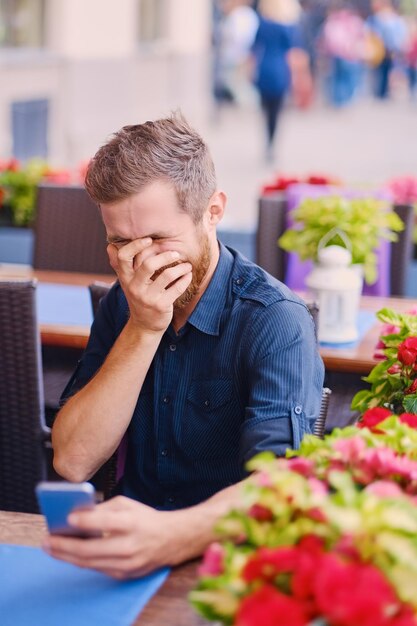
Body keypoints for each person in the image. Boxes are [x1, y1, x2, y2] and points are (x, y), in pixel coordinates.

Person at [46, 113, 324, 579]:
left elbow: (281, 484)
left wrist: (173, 536)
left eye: (158, 238)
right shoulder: (125, 302)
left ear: (213, 211)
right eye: (120, 243)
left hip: (231, 560)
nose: (141, 262)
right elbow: (73, 460)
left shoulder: (276, 320)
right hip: (125, 555)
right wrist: (143, 327)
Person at [251, 0, 313, 162]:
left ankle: (267, 140)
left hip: (264, 68)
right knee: (277, 111)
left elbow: (254, 48)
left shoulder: (263, 24)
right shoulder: (289, 28)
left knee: (266, 109)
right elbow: (295, 52)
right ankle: (272, 142)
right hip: (281, 70)